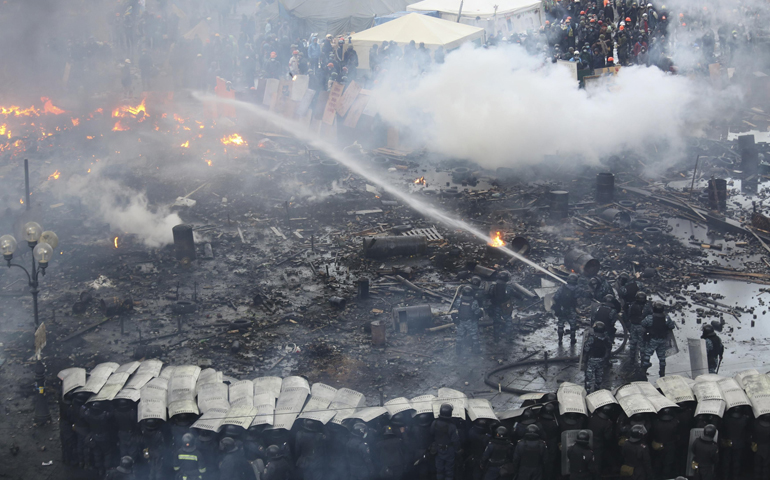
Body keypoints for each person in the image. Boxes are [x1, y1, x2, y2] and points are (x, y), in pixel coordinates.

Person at [640, 302, 676, 377]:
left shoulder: (650, 318)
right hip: (663, 340)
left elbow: (643, 324)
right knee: (662, 357)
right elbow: (672, 326)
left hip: (652, 339)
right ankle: (662, 372)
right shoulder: (666, 318)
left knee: (647, 354)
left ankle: (643, 372)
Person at [431, 403, 460, 480]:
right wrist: (457, 450)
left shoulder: (435, 423)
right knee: (449, 471)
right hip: (449, 451)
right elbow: (455, 440)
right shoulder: (452, 426)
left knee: (439, 471)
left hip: (438, 449)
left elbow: (431, 434)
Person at [721, 406, 750, 480]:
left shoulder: (727, 418)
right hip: (739, 443)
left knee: (726, 461)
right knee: (736, 462)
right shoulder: (744, 419)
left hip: (728, 442)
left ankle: (725, 476)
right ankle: (735, 477)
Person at [650, 407, 679, 478]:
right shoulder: (674, 423)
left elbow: (653, 433)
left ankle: (656, 476)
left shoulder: (656, 423)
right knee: (668, 463)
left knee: (657, 461)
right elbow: (677, 435)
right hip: (670, 445)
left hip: (658, 444)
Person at [583, 321, 611, 393]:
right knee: (599, 375)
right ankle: (597, 389)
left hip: (592, 359)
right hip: (601, 359)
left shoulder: (592, 338)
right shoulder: (605, 337)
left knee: (589, 376)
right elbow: (609, 346)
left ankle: (588, 391)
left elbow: (586, 348)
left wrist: (585, 357)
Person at [553, 274, 580, 344]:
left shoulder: (562, 287)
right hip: (571, 309)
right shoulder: (577, 288)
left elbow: (555, 297)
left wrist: (559, 305)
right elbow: (582, 296)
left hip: (562, 309)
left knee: (560, 325)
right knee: (573, 326)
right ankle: (572, 340)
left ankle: (560, 340)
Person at [627, 291, 652, 366]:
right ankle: (643, 361)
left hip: (633, 326)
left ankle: (632, 359)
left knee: (633, 343)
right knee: (642, 344)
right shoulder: (647, 306)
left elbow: (629, 314)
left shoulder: (632, 305)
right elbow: (650, 315)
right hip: (642, 326)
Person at [488, 272, 514, 343]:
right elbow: (513, 294)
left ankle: (496, 338)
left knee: (496, 322)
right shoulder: (508, 286)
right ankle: (508, 337)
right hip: (505, 306)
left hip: (496, 306)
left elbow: (489, 295)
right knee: (508, 321)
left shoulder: (493, 286)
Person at [455, 286, 482, 354]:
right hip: (471, 322)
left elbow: (456, 310)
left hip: (461, 321)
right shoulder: (474, 302)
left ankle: (458, 350)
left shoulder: (459, 301)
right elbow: (477, 312)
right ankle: (476, 350)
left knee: (459, 336)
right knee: (474, 335)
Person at [588, 404, 613, 476]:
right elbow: (607, 437)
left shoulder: (592, 416)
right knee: (597, 464)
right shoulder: (607, 423)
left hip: (587, 441)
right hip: (598, 445)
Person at [753, 414, 770, 480]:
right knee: (765, 466)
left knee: (757, 465)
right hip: (767, 448)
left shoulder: (757, 425)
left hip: (758, 447)